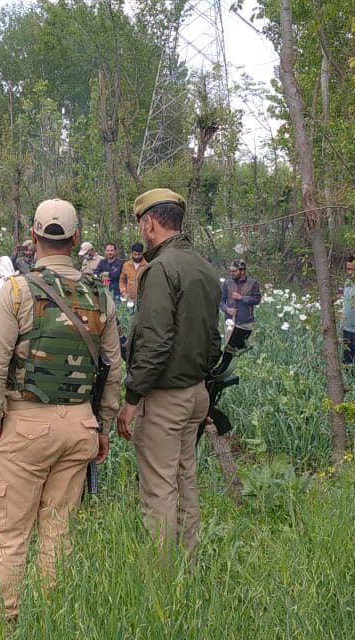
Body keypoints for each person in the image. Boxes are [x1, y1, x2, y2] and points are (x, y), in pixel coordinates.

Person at [0, 199, 122, 621]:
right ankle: (50, 620)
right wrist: (103, 426)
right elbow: (113, 370)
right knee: (58, 535)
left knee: (8, 536)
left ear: (33, 237)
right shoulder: (100, 295)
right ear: (76, 240)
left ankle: (7, 626)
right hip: (79, 423)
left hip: (22, 424)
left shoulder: (18, 290)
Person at [116, 188, 221, 558]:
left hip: (165, 396)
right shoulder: (204, 266)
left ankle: (162, 579)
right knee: (185, 482)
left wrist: (131, 399)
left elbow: (155, 341)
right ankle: (187, 566)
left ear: (149, 223)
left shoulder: (160, 269)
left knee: (159, 489)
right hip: (195, 392)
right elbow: (213, 339)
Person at [220, 259, 262, 335]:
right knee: (229, 346)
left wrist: (242, 298)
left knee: (247, 346)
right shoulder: (227, 283)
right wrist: (227, 309)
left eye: (234, 271)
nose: (231, 273)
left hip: (246, 323)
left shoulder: (252, 283)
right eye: (231, 271)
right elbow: (221, 301)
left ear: (242, 271)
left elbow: (257, 299)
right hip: (230, 322)